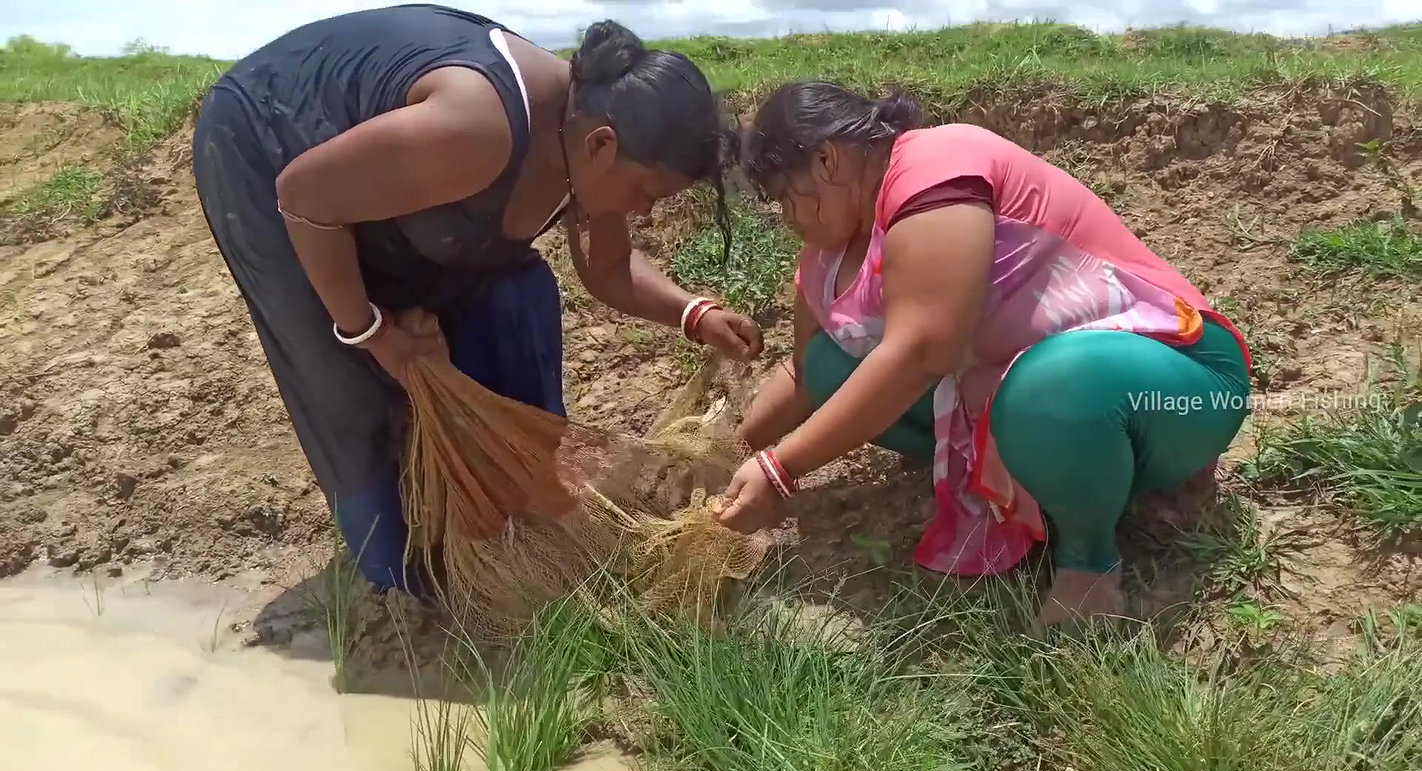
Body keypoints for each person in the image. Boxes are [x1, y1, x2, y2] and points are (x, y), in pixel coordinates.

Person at [192, 5, 762, 594]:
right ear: (602, 145)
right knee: (348, 378)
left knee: (517, 295)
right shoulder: (477, 129)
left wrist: (693, 313)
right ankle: (398, 575)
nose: (644, 211)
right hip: (270, 144)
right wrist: (369, 331)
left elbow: (611, 267)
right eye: (646, 193)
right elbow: (305, 198)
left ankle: (501, 514)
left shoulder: (587, 138)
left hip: (386, 174)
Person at [717, 82, 1252, 625]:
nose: (788, 218)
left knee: (1046, 387)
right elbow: (808, 371)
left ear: (827, 160)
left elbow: (922, 350)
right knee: (838, 366)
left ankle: (1088, 564)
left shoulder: (935, 164)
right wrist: (730, 454)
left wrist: (780, 468)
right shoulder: (834, 251)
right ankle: (1061, 484)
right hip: (1040, 406)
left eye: (786, 197)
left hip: (1177, 387)